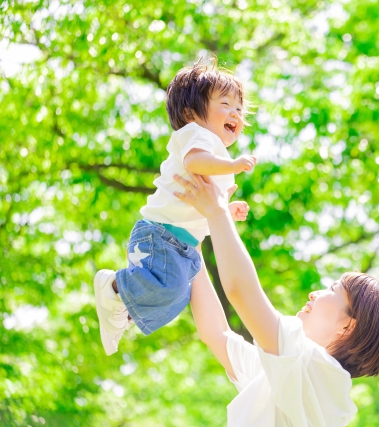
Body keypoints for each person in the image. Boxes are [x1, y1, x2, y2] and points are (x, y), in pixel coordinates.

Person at [173, 172, 379, 427]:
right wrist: (194, 238)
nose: (315, 293)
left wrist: (217, 213)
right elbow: (216, 334)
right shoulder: (293, 374)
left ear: (348, 326)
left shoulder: (320, 376)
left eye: (333, 290)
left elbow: (241, 292)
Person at [93, 57, 258, 355]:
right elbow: (194, 161)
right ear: (190, 113)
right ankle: (115, 286)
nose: (235, 112)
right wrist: (232, 164)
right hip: (160, 235)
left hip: (180, 244)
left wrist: (225, 214)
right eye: (225, 104)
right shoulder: (197, 136)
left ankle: (124, 307)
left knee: (178, 298)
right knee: (169, 288)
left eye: (239, 108)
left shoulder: (216, 155)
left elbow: (202, 212)